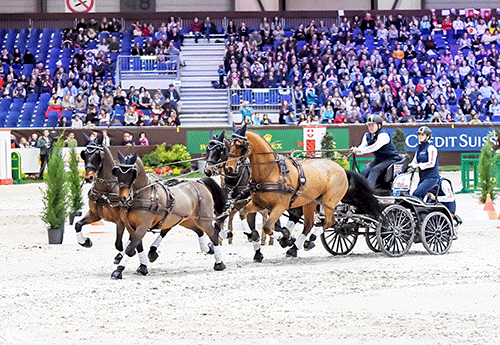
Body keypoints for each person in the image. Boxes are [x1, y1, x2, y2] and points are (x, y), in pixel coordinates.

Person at [351, 115, 400, 188]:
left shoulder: (383, 135)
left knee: (375, 170)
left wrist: (360, 150)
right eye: (369, 125)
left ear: (379, 126)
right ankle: (359, 189)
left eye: (372, 125)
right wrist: (356, 151)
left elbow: (374, 147)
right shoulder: (367, 135)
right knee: (366, 170)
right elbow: (362, 146)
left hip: (391, 159)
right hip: (379, 160)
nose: (370, 127)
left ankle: (369, 191)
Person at [410, 126, 440, 200]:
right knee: (418, 197)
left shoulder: (431, 148)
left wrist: (418, 165)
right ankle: (421, 211)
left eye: (422, 135)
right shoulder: (418, 149)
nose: (420, 136)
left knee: (416, 194)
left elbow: (431, 163)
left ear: (428, 137)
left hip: (431, 178)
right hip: (423, 178)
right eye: (419, 134)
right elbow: (414, 161)